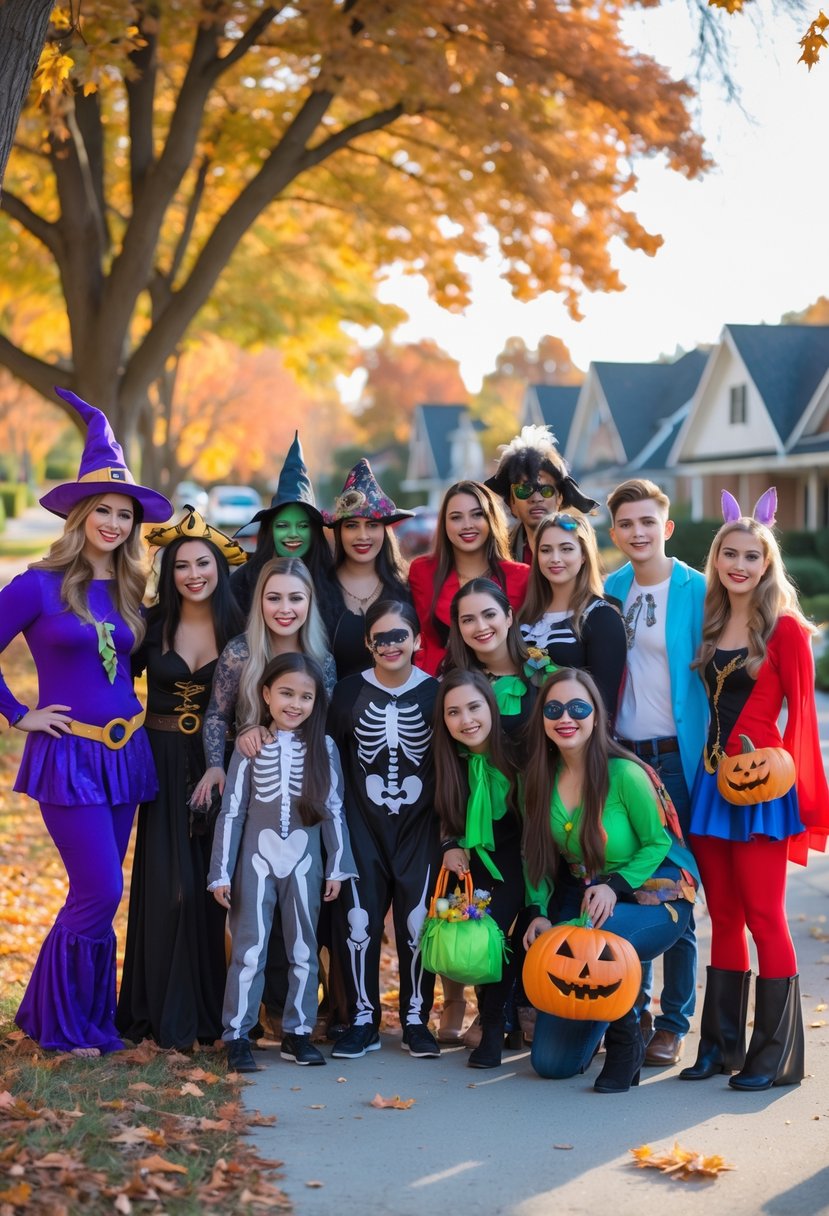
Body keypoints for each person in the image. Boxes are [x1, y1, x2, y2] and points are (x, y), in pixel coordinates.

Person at [0, 388, 172, 1056]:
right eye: (102, 509)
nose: (113, 522)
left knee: (105, 894)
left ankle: (77, 1021)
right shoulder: (37, 585)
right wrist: (19, 713)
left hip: (124, 755)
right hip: (66, 756)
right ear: (78, 512)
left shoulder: (132, 589)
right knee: (97, 886)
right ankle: (65, 1023)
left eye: (124, 513)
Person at [679, 489, 829, 1091]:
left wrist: (789, 790)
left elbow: (804, 724)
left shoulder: (787, 630)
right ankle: (719, 1045)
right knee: (723, 916)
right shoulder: (711, 622)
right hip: (711, 787)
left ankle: (775, 1053)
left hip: (761, 789)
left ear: (767, 563)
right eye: (729, 555)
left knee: (766, 915)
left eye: (752, 556)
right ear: (716, 560)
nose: (739, 565)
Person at [522, 668, 696, 1092]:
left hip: (658, 892)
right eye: (555, 708)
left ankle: (626, 1042)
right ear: (543, 719)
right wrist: (538, 911)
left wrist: (615, 884)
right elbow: (538, 856)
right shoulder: (538, 779)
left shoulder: (624, 774)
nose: (567, 717)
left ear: (596, 716)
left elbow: (658, 842)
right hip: (591, 900)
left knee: (598, 941)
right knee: (551, 1063)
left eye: (578, 707)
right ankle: (609, 1021)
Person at [116, 508, 246, 1049]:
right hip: (163, 761)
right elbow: (109, 681)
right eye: (182, 566)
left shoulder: (241, 626)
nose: (193, 574)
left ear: (219, 568)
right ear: (168, 573)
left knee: (211, 889)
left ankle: (212, 1013)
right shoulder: (150, 624)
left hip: (224, 764)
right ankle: (157, 1011)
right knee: (168, 887)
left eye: (203, 564)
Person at [207, 654, 356, 1071]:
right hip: (255, 861)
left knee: (305, 948)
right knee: (249, 948)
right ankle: (237, 1034)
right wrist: (220, 871)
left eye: (305, 697)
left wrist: (338, 865)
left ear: (315, 702)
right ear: (266, 694)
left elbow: (334, 810)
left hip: (304, 862)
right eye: (286, 693)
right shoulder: (251, 745)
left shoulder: (323, 747)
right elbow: (232, 812)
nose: (295, 704)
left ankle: (298, 1032)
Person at [604, 478, 708, 1067]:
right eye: (627, 524)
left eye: (648, 522)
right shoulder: (612, 589)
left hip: (681, 756)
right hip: (626, 759)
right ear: (614, 533)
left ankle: (674, 1021)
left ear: (666, 528)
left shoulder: (696, 588)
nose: (638, 533)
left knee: (676, 886)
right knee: (633, 880)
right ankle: (632, 1010)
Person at [327, 601, 442, 1060]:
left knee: (418, 924)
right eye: (381, 637)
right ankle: (362, 1018)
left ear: (417, 640)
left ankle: (416, 1018)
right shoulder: (349, 692)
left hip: (422, 825)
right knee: (359, 923)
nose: (391, 645)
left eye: (400, 636)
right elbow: (332, 758)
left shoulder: (437, 692)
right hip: (361, 826)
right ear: (368, 644)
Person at [433, 669, 525, 1069]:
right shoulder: (450, 760)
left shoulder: (518, 754)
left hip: (521, 864)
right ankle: (494, 1019)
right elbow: (444, 815)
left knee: (499, 934)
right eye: (453, 712)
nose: (465, 720)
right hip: (476, 869)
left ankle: (493, 1025)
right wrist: (450, 845)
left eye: (474, 707)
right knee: (479, 935)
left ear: (491, 706)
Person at [409, 480, 530, 677]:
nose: (467, 525)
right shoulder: (422, 571)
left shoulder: (521, 576)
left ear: (491, 519)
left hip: (504, 686)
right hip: (438, 682)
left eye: (477, 514)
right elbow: (424, 639)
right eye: (456, 517)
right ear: (444, 524)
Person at [519, 513, 626, 719]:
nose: (555, 558)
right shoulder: (525, 616)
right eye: (545, 550)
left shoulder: (601, 617)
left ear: (584, 555)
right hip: (524, 744)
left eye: (566, 549)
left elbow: (604, 707)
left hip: (575, 743)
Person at [229, 432, 335, 620]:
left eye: (302, 526)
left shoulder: (332, 581)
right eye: (283, 525)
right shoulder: (242, 583)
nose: (293, 534)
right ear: (270, 530)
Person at [323, 459, 413, 680]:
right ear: (339, 532)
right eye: (352, 526)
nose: (362, 536)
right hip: (333, 710)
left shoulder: (406, 588)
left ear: (385, 530)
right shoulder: (318, 587)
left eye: (372, 525)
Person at [485, 424, 598, 563]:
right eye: (524, 490)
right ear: (512, 502)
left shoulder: (581, 550)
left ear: (559, 498)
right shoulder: (497, 559)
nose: (536, 498)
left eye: (546, 490)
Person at [443, 579, 536, 741]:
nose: (481, 627)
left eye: (489, 615)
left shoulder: (541, 667)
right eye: (468, 620)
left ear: (508, 617)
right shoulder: (453, 680)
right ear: (458, 627)